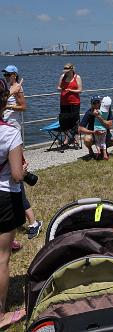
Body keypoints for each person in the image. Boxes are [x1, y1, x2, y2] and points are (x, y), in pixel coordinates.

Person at [2, 66, 42, 244]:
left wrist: (8, 104)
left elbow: (23, 106)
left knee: (15, 176)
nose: (7, 76)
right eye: (5, 74)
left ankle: (33, 222)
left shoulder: (17, 88)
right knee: (13, 176)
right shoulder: (5, 89)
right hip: (4, 129)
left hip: (12, 132)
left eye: (9, 74)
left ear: (15, 75)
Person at [0, 88, 26, 329]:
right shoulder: (9, 132)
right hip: (4, 197)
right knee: (2, 258)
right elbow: (17, 175)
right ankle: (0, 315)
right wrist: (24, 170)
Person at [57, 63, 82, 146]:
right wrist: (63, 89)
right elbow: (58, 87)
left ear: (71, 70)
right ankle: (66, 138)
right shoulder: (62, 76)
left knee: (75, 120)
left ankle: (75, 138)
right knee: (64, 120)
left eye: (67, 71)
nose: (66, 72)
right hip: (64, 102)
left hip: (74, 102)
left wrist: (70, 90)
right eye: (65, 71)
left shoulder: (77, 77)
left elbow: (80, 90)